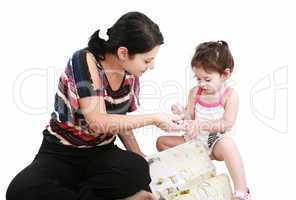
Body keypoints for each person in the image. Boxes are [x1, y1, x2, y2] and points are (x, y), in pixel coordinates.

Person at [6, 11, 185, 200]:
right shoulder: (83, 60)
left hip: (101, 153)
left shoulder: (130, 73)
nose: (152, 66)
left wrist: (140, 157)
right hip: (61, 152)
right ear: (123, 52)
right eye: (147, 60)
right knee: (20, 191)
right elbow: (98, 122)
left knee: (137, 169)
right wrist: (154, 119)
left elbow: (121, 121)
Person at [156, 41, 252, 200]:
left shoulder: (229, 96)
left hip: (213, 142)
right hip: (193, 142)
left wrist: (201, 125)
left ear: (225, 75)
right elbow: (190, 117)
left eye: (207, 79)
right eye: (198, 78)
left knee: (228, 145)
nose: (202, 84)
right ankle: (195, 171)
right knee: (161, 142)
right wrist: (181, 114)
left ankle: (242, 191)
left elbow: (226, 124)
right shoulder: (195, 92)